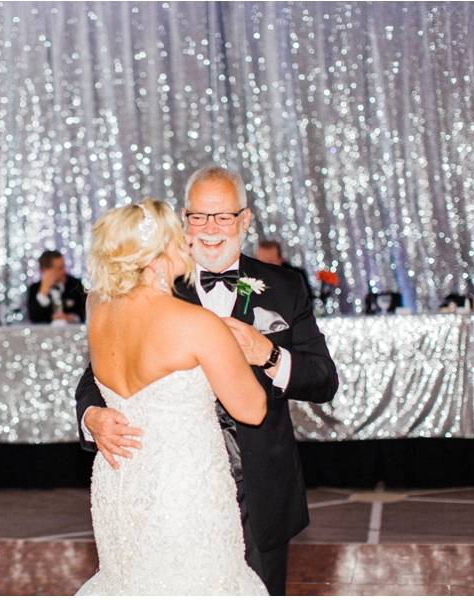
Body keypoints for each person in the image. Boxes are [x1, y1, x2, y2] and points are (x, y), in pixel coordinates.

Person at [76, 166, 339, 595]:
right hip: (168, 489)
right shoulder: (151, 292)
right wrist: (92, 416)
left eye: (223, 217)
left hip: (261, 487)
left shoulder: (285, 285)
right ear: (182, 220)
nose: (211, 229)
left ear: (245, 220)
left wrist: (269, 354)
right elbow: (95, 374)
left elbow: (324, 379)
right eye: (198, 217)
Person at [75, 198, 268, 595]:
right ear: (160, 253)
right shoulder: (196, 324)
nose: (188, 242)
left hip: (120, 480)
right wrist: (255, 351)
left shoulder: (96, 306)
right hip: (185, 489)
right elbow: (251, 409)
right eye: (178, 237)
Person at [27, 250, 87, 324]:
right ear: (45, 270)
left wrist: (70, 317)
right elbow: (34, 317)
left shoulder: (75, 284)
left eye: (63, 267)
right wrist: (43, 291)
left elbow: (85, 312)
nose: (64, 271)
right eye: (60, 268)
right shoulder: (34, 289)